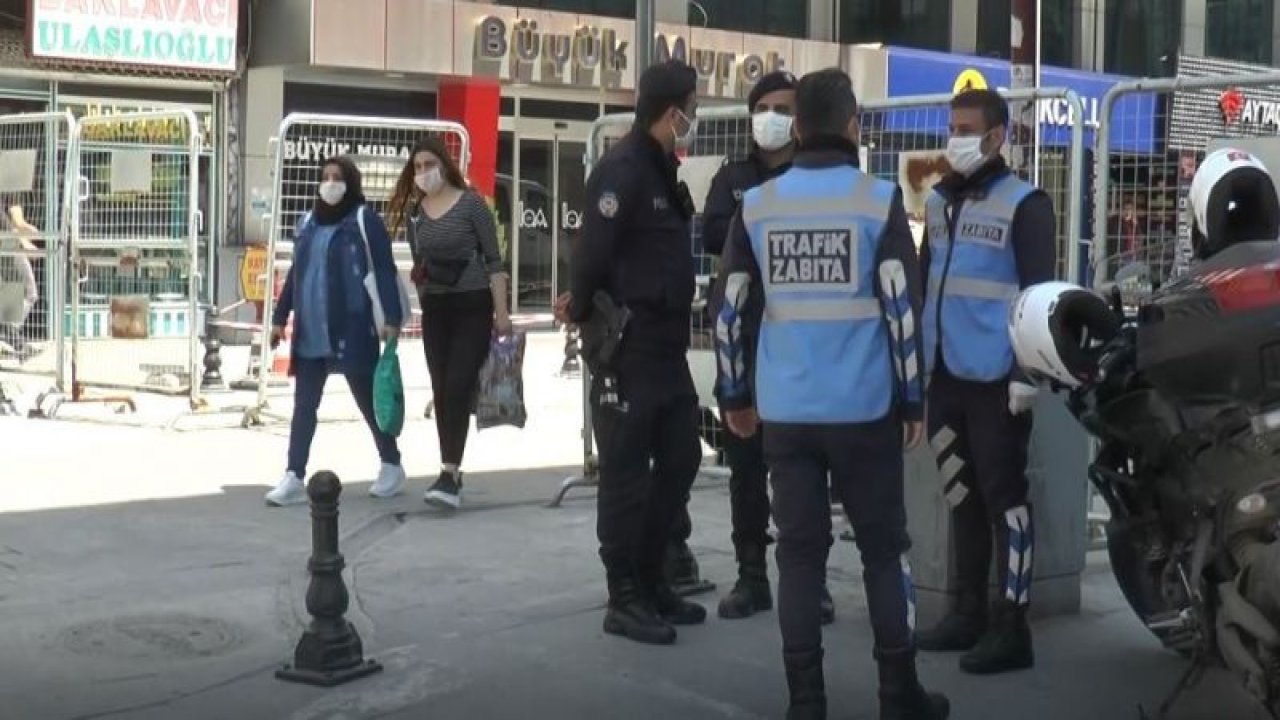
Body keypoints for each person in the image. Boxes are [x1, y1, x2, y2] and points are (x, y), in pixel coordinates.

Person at [716, 67, 949, 720]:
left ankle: (806, 702)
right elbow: (903, 309)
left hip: (785, 413)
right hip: (863, 410)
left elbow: (730, 307)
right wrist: (911, 399)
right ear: (852, 127)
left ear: (795, 127)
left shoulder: (757, 206)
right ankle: (899, 694)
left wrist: (734, 392)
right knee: (881, 551)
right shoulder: (876, 203)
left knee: (797, 557)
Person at [670, 69, 834, 624]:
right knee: (745, 469)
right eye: (764, 106)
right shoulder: (732, 173)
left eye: (785, 108)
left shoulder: (819, 174)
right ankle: (752, 576)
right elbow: (713, 233)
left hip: (801, 346)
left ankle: (812, 582)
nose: (773, 117)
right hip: (743, 339)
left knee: (808, 473)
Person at [552, 60, 706, 646]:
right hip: (630, 348)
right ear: (674, 112)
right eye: (690, 108)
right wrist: (586, 308)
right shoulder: (621, 171)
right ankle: (624, 595)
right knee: (624, 475)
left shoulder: (662, 169)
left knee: (681, 458)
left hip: (667, 348)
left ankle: (651, 576)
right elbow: (592, 253)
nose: (691, 119)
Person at [915, 88, 1057, 675]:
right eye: (951, 127)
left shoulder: (1026, 204)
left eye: (967, 128)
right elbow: (926, 286)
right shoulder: (939, 202)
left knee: (1006, 503)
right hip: (945, 376)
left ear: (996, 137)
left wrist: (1028, 375)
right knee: (961, 498)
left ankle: (1011, 626)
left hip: (999, 381)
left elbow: (1038, 294)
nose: (956, 139)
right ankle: (966, 611)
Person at [264, 156, 407, 507]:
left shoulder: (363, 220)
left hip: (353, 327)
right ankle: (294, 475)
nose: (330, 183)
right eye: (325, 177)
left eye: (338, 177)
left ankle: (391, 463)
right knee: (304, 406)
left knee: (369, 401)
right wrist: (280, 318)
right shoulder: (309, 222)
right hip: (311, 330)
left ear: (351, 183)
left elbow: (385, 269)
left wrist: (391, 317)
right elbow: (298, 273)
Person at [387, 137, 511, 510]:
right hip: (436, 309)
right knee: (441, 390)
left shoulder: (472, 204)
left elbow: (494, 260)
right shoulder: (416, 213)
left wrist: (501, 314)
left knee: (458, 384)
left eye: (429, 164)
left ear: (444, 163)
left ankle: (449, 470)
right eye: (417, 167)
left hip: (472, 304)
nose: (423, 172)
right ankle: (450, 471)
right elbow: (420, 262)